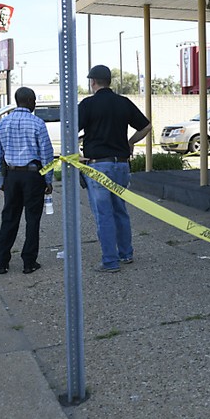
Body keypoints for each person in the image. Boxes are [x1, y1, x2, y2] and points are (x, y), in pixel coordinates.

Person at [78, 64, 152, 273]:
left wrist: (77, 155)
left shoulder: (88, 104)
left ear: (92, 82)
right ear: (109, 81)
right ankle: (126, 253)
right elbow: (146, 126)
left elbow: (70, 129)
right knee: (120, 210)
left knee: (104, 214)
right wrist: (130, 142)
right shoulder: (123, 103)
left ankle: (110, 262)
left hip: (97, 166)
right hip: (121, 165)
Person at [0, 87, 54, 275]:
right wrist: (48, 179)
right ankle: (29, 262)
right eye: (34, 101)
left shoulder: (3, 123)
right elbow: (47, 154)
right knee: (32, 219)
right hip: (33, 176)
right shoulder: (37, 123)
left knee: (9, 217)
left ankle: (2, 262)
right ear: (30, 101)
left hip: (11, 175)